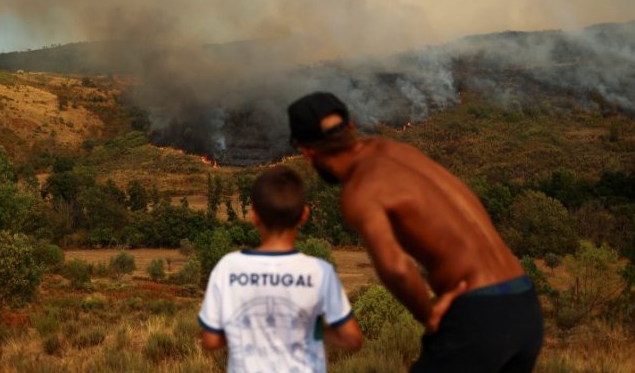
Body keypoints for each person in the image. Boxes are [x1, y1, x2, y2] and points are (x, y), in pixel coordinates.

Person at [287, 92, 543, 373]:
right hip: (525, 302)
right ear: (351, 126)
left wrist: (429, 316)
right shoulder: (396, 151)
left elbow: (395, 268)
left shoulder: (360, 190)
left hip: (480, 314)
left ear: (307, 151)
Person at [198, 165, 362, 373]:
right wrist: (311, 329)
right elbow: (352, 339)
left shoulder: (227, 268)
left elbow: (210, 340)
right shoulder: (320, 272)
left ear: (253, 215)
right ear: (304, 215)